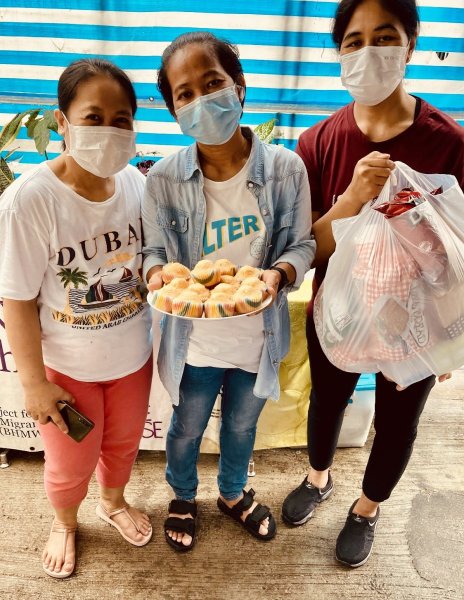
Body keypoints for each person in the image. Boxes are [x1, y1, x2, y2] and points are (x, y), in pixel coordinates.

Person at [282, 0, 464, 568]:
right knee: (326, 402)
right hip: (338, 314)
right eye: (353, 41)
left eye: (384, 37)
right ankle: (318, 478)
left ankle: (367, 507)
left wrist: (452, 334)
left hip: (415, 323)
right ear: (339, 54)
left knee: (398, 422)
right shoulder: (318, 143)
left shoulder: (449, 144)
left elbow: (459, 248)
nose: (368, 52)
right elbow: (310, 248)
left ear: (411, 45)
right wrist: (354, 199)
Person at [142, 31, 315, 551]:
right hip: (193, 343)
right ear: (174, 110)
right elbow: (153, 253)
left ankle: (233, 493)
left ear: (239, 87)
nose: (201, 99)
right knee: (186, 427)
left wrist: (278, 275)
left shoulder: (285, 169)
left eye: (212, 83)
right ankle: (182, 495)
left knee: (241, 428)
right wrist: (157, 275)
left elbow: (302, 244)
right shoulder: (163, 179)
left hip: (256, 340)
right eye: (185, 93)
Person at [0, 59, 154, 579]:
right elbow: (17, 300)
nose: (109, 130)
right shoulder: (29, 201)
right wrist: (34, 385)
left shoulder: (134, 184)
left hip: (132, 358)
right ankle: (65, 522)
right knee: (69, 463)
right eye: (93, 117)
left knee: (123, 446)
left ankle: (112, 503)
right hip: (68, 370)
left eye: (121, 119)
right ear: (63, 121)